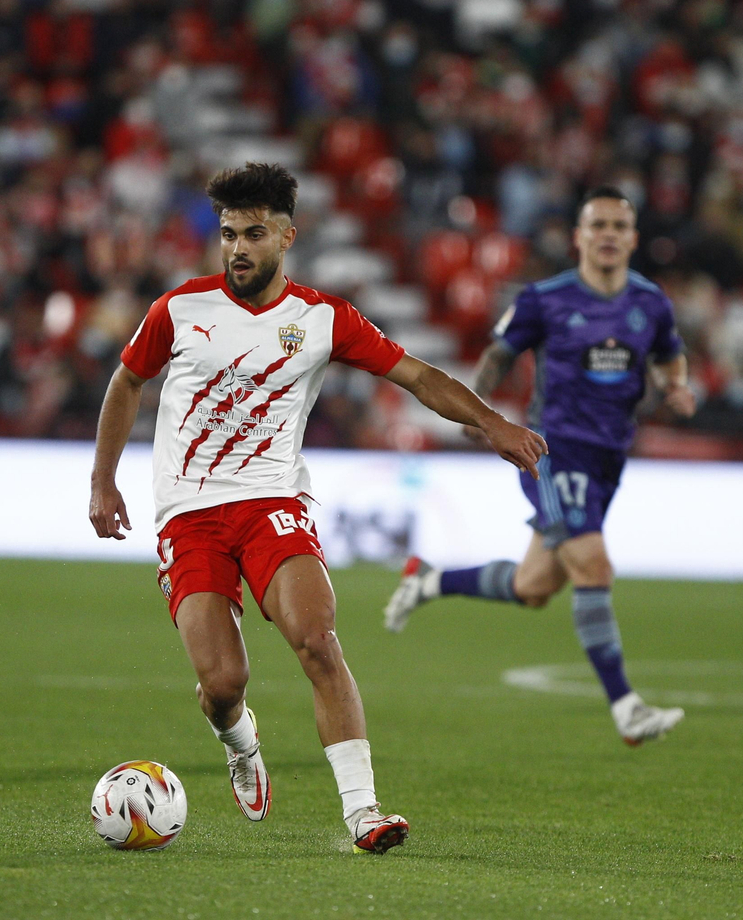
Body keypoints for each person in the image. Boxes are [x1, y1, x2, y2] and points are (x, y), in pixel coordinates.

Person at [88, 162, 546, 853]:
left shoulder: (322, 319)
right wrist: (103, 481)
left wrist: (492, 423)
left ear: (287, 237)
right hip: (189, 513)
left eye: (253, 234)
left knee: (316, 638)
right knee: (222, 682)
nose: (237, 249)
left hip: (272, 501)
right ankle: (239, 740)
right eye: (228, 234)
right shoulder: (179, 309)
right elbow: (126, 382)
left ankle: (364, 813)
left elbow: (418, 376)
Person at [383, 187, 696, 747]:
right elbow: (499, 355)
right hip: (552, 451)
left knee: (533, 586)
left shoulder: (651, 303)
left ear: (633, 239)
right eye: (597, 225)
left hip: (608, 459)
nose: (607, 235)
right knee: (593, 565)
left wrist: (676, 386)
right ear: (579, 236)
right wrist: (477, 411)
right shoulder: (545, 299)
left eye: (618, 226)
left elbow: (671, 354)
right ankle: (627, 708)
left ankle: (428, 579)